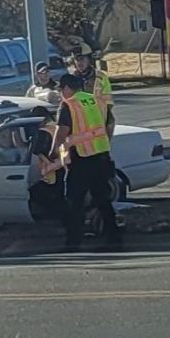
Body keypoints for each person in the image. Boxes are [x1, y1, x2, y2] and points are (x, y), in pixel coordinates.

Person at [50, 72, 122, 253]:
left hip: (81, 159)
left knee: (74, 202)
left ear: (67, 88)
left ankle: (73, 243)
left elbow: (62, 131)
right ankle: (114, 239)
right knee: (103, 200)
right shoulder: (95, 100)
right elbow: (108, 123)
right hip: (101, 155)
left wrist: (53, 151)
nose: (60, 94)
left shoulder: (69, 104)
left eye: (61, 90)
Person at [69, 42, 115, 137]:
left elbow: (108, 103)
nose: (79, 63)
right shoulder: (71, 79)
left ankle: (107, 142)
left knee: (110, 121)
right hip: (78, 117)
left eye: (82, 59)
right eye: (77, 59)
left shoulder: (101, 77)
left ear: (89, 59)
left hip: (97, 116)